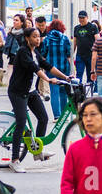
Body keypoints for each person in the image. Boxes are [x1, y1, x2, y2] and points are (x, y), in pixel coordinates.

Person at [7, 27, 70, 171]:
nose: (38, 39)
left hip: (30, 92)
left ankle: (37, 151)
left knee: (43, 118)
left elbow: (47, 65)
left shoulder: (35, 52)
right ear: (27, 38)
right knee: (21, 123)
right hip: (18, 92)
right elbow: (34, 68)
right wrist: (48, 80)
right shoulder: (23, 52)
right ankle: (15, 160)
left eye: (39, 36)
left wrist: (65, 77)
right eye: (34, 36)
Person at [39, 20, 73, 120]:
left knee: (54, 91)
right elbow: (68, 54)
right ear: (61, 28)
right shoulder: (65, 38)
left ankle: (57, 116)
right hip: (64, 68)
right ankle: (64, 115)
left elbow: (43, 54)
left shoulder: (46, 39)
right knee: (63, 91)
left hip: (51, 68)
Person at [73, 10, 101, 82]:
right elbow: (75, 42)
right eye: (80, 18)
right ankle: (79, 91)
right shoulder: (76, 28)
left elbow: (98, 40)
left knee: (90, 75)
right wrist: (71, 53)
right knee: (78, 75)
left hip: (90, 55)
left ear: (87, 17)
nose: (81, 19)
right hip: (80, 55)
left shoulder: (93, 27)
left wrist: (98, 53)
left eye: (83, 18)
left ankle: (91, 91)